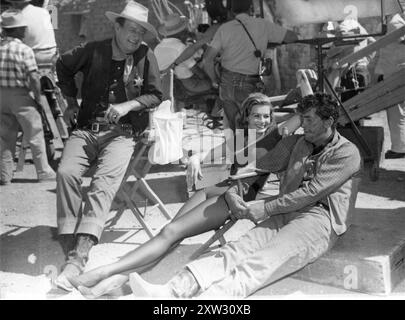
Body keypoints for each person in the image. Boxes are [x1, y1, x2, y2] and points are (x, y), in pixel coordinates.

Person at [64, 93, 301, 298]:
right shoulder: (240, 136)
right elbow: (211, 153)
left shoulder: (275, 136)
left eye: (266, 116)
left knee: (170, 233)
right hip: (217, 186)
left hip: (236, 196)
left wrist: (312, 78)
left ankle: (102, 273)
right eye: (257, 116)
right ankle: (112, 283)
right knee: (171, 231)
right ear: (247, 116)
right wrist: (196, 158)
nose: (262, 121)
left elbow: (305, 109)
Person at [128, 92, 362, 298]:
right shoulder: (299, 142)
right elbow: (258, 166)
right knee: (238, 248)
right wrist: (230, 187)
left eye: (309, 120)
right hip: (286, 210)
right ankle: (171, 291)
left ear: (329, 121)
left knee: (262, 260)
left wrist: (266, 208)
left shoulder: (347, 153)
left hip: (320, 219)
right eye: (302, 119)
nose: (303, 126)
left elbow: (312, 193)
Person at [53, 1, 163, 291]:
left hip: (123, 134)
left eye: (142, 32)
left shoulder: (145, 55)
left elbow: (156, 95)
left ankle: (78, 258)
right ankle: (69, 243)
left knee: (104, 184)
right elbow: (61, 67)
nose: (136, 37)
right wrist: (68, 103)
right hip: (87, 129)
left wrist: (129, 105)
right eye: (132, 30)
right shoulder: (93, 50)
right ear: (117, 26)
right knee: (66, 173)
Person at [203, 0, 298, 131]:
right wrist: (266, 41)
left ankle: (238, 150)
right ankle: (251, 150)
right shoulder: (262, 25)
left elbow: (207, 60)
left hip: (227, 82)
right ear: (251, 9)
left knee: (235, 128)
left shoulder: (225, 28)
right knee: (254, 127)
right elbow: (292, 37)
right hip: (249, 83)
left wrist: (214, 81)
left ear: (231, 11)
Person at [0, 10, 56, 185]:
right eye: (23, 28)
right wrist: (38, 98)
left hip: (1, 96)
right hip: (20, 96)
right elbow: (33, 77)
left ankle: (4, 175)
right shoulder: (24, 50)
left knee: (4, 137)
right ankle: (44, 172)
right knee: (35, 133)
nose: (26, 32)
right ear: (17, 30)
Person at [154, 13, 213, 96]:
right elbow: (197, 71)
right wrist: (209, 80)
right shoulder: (180, 47)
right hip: (185, 83)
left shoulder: (158, 47)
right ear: (182, 32)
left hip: (162, 84)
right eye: (185, 30)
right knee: (210, 83)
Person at [374, 12, 405, 159]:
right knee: (396, 112)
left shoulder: (395, 23)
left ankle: (399, 148)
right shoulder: (392, 22)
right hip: (393, 70)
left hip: (395, 71)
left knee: (396, 111)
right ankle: (399, 146)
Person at [326, 18, 375, 102]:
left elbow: (340, 45)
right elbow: (373, 42)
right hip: (362, 69)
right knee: (360, 106)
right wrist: (367, 59)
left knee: (349, 107)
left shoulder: (342, 27)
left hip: (350, 73)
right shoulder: (358, 25)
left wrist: (329, 53)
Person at [7, 0, 57, 66]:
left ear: (15, 3)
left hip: (34, 55)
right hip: (52, 54)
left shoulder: (19, 16)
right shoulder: (43, 11)